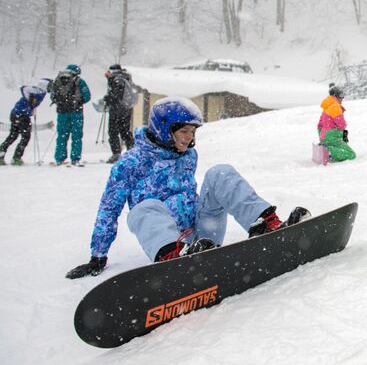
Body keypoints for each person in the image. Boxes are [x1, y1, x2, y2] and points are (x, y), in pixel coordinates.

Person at [66, 97, 310, 279]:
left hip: (203, 235)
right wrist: (98, 256)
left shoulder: (188, 156)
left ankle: (266, 225)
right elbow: (109, 209)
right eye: (184, 131)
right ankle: (173, 258)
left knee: (219, 172)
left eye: (192, 132)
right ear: (164, 129)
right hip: (169, 244)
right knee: (145, 207)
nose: (189, 138)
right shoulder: (131, 163)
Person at [49, 64, 91, 166]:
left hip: (62, 112)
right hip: (76, 112)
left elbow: (52, 96)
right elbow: (87, 96)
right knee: (76, 136)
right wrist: (78, 102)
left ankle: (60, 158)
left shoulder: (58, 79)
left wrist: (62, 103)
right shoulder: (79, 81)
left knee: (62, 135)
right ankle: (75, 158)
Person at [0, 82, 48, 165]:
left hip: (16, 114)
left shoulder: (41, 93)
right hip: (22, 116)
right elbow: (23, 88)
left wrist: (32, 110)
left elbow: (31, 104)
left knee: (13, 136)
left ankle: (1, 155)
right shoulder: (37, 91)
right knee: (25, 137)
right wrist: (31, 101)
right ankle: (16, 158)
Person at [101, 64, 136, 163]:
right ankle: (132, 152)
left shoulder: (118, 80)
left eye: (109, 71)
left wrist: (108, 98)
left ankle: (116, 154)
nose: (107, 73)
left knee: (113, 131)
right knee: (125, 131)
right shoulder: (125, 78)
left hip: (117, 110)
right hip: (126, 109)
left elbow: (116, 95)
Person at [317, 84, 356, 162]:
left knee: (343, 149)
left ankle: (326, 147)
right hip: (332, 137)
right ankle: (328, 151)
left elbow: (319, 125)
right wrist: (344, 125)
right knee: (351, 154)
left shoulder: (327, 107)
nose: (342, 98)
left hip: (325, 137)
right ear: (336, 95)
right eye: (341, 95)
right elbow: (342, 125)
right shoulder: (335, 107)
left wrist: (323, 138)